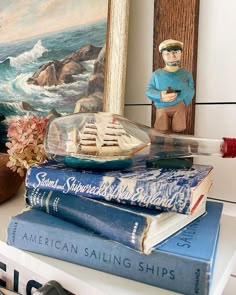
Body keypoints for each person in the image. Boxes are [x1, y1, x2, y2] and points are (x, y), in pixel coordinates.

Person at [146, 39, 195, 133]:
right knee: (161, 129)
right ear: (162, 55)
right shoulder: (156, 75)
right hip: (162, 106)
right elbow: (149, 91)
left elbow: (191, 90)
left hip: (179, 106)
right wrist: (160, 96)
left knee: (179, 128)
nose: (172, 56)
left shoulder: (186, 74)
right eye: (167, 53)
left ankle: (178, 145)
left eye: (175, 52)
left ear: (181, 53)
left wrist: (183, 101)